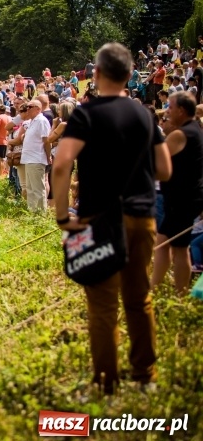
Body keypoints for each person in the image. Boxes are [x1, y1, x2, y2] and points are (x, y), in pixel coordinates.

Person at [52, 42, 172, 395]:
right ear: (130, 75)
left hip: (98, 220)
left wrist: (62, 216)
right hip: (141, 217)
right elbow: (164, 168)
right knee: (139, 298)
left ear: (97, 74)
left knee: (103, 305)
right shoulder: (144, 115)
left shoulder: (85, 115)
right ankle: (145, 377)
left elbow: (61, 164)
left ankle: (106, 383)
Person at [151, 91, 203, 295]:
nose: (167, 111)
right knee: (163, 243)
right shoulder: (195, 130)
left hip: (182, 199)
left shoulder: (181, 134)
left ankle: (180, 292)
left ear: (181, 110)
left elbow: (157, 162)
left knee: (179, 248)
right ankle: (155, 287)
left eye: (170, 107)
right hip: (184, 198)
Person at [20, 100, 52, 212]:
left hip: (37, 158)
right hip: (29, 159)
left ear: (38, 109)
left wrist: (48, 156)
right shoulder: (33, 121)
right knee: (30, 189)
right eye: (27, 107)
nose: (27, 109)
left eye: (30, 107)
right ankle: (32, 212)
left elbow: (46, 141)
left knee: (38, 189)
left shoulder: (41, 121)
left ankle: (40, 215)